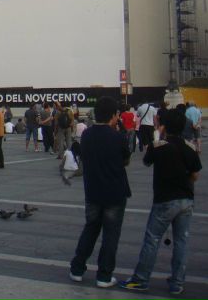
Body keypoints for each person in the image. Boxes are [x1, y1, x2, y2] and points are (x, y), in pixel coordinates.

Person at [119, 108, 202, 294]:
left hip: (164, 200)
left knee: (152, 240)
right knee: (181, 241)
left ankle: (141, 279)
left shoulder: (159, 146)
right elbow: (195, 175)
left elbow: (146, 162)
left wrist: (157, 136)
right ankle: (177, 283)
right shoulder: (189, 147)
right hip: (186, 200)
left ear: (164, 125)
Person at [69, 96, 131, 288]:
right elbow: (126, 160)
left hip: (93, 191)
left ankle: (77, 269)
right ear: (114, 115)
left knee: (91, 228)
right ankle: (104, 275)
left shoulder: (87, 135)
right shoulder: (118, 137)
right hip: (114, 192)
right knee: (111, 235)